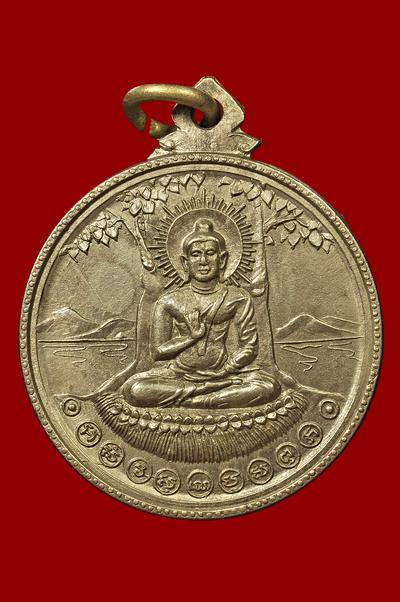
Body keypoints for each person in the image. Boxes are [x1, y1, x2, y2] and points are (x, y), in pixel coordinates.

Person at [122, 218, 280, 408]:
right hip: (178, 374)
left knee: (269, 388)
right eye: (196, 254)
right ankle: (206, 394)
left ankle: (193, 399)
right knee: (135, 390)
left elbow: (249, 346)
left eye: (210, 253)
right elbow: (157, 352)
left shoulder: (238, 298)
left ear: (222, 259)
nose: (203, 261)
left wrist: (226, 370)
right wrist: (191, 338)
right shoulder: (169, 301)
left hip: (225, 373)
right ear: (185, 262)